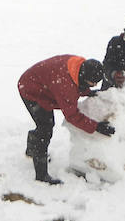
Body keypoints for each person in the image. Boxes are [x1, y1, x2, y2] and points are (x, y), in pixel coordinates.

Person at [17, 55, 113, 184]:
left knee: (45, 125)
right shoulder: (65, 85)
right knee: (45, 129)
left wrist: (87, 92)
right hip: (31, 89)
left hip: (42, 82)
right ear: (84, 77)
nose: (94, 85)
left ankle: (32, 150)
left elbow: (78, 85)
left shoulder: (78, 67)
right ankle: (41, 175)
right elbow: (72, 115)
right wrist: (96, 127)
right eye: (92, 83)